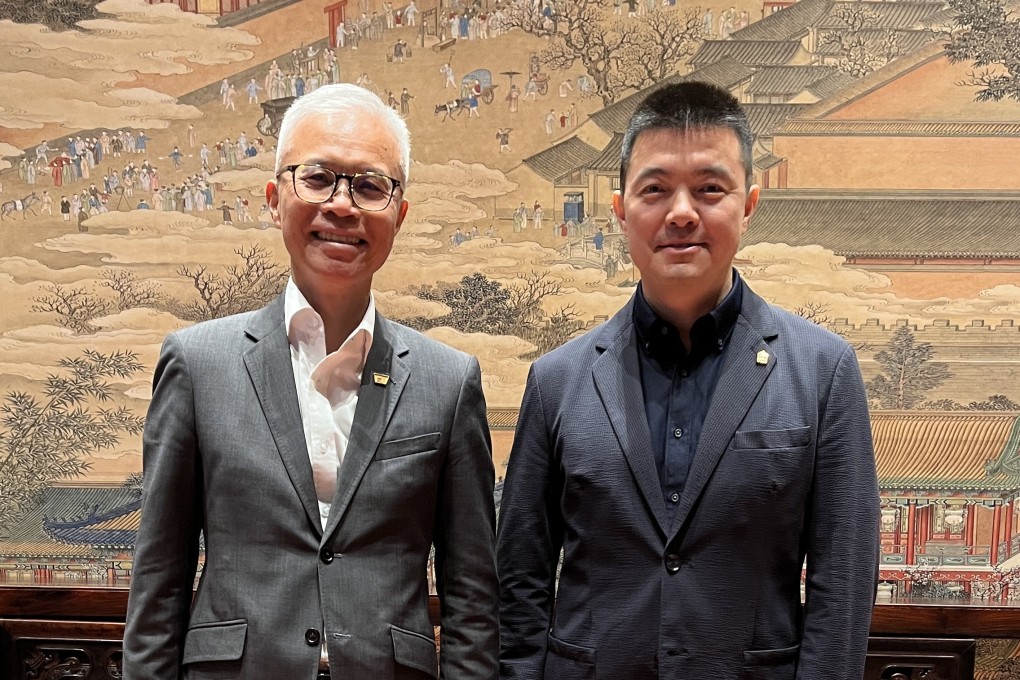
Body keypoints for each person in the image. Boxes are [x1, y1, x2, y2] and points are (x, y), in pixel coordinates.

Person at [497, 81, 880, 679]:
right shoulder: (557, 380)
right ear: (621, 208)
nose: (681, 212)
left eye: (709, 189)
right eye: (655, 189)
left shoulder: (822, 371)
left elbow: (843, 585)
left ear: (749, 204)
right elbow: (520, 578)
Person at [124, 83, 500, 680]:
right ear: (276, 199)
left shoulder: (448, 381)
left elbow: (472, 598)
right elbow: (160, 578)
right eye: (319, 178)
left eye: (370, 186)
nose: (343, 206)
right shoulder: (198, 365)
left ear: (398, 215)